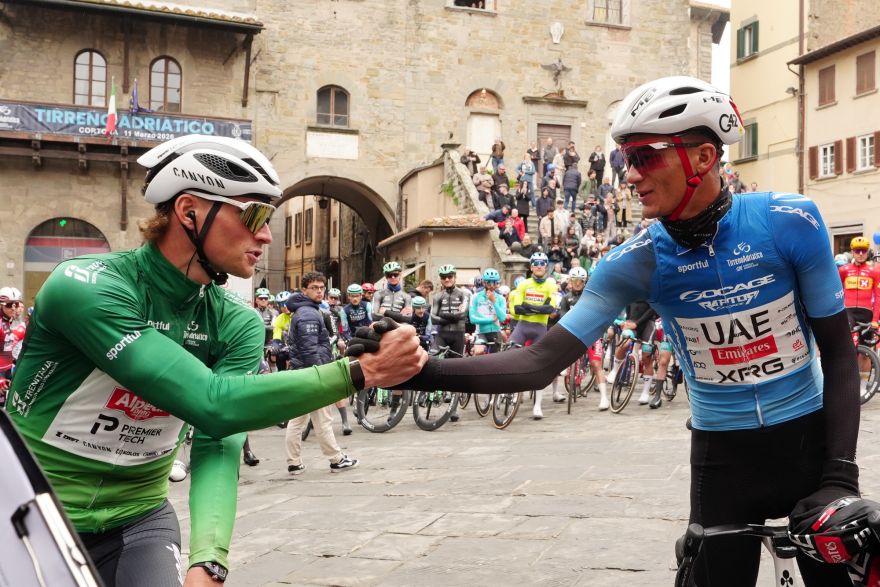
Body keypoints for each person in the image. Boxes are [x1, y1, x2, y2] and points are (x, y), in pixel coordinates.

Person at [353, 76, 861, 586]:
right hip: (723, 457)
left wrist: (840, 476)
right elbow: (538, 363)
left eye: (644, 157)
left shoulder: (789, 220)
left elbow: (839, 353)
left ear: (704, 157)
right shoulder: (633, 262)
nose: (630, 175)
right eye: (625, 160)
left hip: (809, 443)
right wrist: (419, 372)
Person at [6, 135, 427, 587]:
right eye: (255, 214)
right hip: (25, 505)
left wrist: (209, 559)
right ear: (189, 211)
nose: (265, 234)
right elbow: (213, 402)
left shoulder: (237, 324)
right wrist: (363, 372)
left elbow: (218, 436)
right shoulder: (87, 286)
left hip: (137, 519)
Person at [285, 272, 359, 474]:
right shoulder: (308, 313)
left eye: (321, 287)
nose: (319, 291)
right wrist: (321, 375)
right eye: (314, 288)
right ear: (304, 290)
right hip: (313, 374)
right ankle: (335, 459)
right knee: (323, 418)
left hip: (303, 373)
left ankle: (294, 462)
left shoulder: (305, 310)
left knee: (298, 419)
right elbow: (309, 349)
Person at [838, 235, 880, 395]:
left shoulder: (874, 271)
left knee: (865, 353)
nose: (860, 253)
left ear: (868, 252)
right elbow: (835, 292)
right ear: (852, 251)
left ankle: (862, 385)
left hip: (866, 312)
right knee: (848, 347)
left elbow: (878, 296)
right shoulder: (843, 270)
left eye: (863, 250)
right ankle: (846, 382)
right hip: (848, 311)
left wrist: (875, 320)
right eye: (857, 250)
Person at [430, 265, 471, 422]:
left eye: (450, 277)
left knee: (456, 370)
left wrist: (443, 315)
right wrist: (451, 315)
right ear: (441, 279)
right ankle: (428, 393)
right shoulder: (437, 296)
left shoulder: (463, 294)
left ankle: (453, 409)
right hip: (442, 334)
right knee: (432, 360)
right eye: (444, 277)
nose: (447, 279)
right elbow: (433, 318)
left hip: (458, 335)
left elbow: (463, 314)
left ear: (455, 277)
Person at [469, 269, 506, 355]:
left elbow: (502, 318)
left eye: (495, 283)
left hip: (496, 332)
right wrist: (490, 319)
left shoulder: (501, 298)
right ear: (484, 283)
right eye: (489, 282)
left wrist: (494, 302)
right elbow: (472, 319)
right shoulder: (476, 297)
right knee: (479, 351)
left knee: (495, 360)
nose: (492, 286)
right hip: (481, 332)